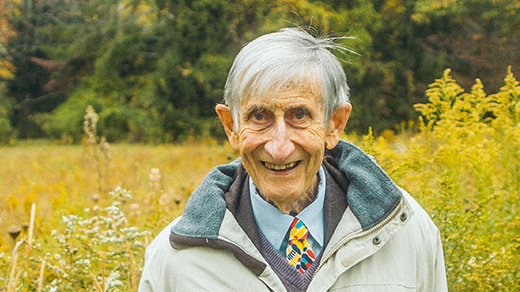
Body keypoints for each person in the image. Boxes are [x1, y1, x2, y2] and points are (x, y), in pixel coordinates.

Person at [138, 27, 448, 291]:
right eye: (259, 116)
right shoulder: (175, 260)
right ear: (231, 126)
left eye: (299, 115)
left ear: (335, 123)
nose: (279, 147)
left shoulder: (406, 232)